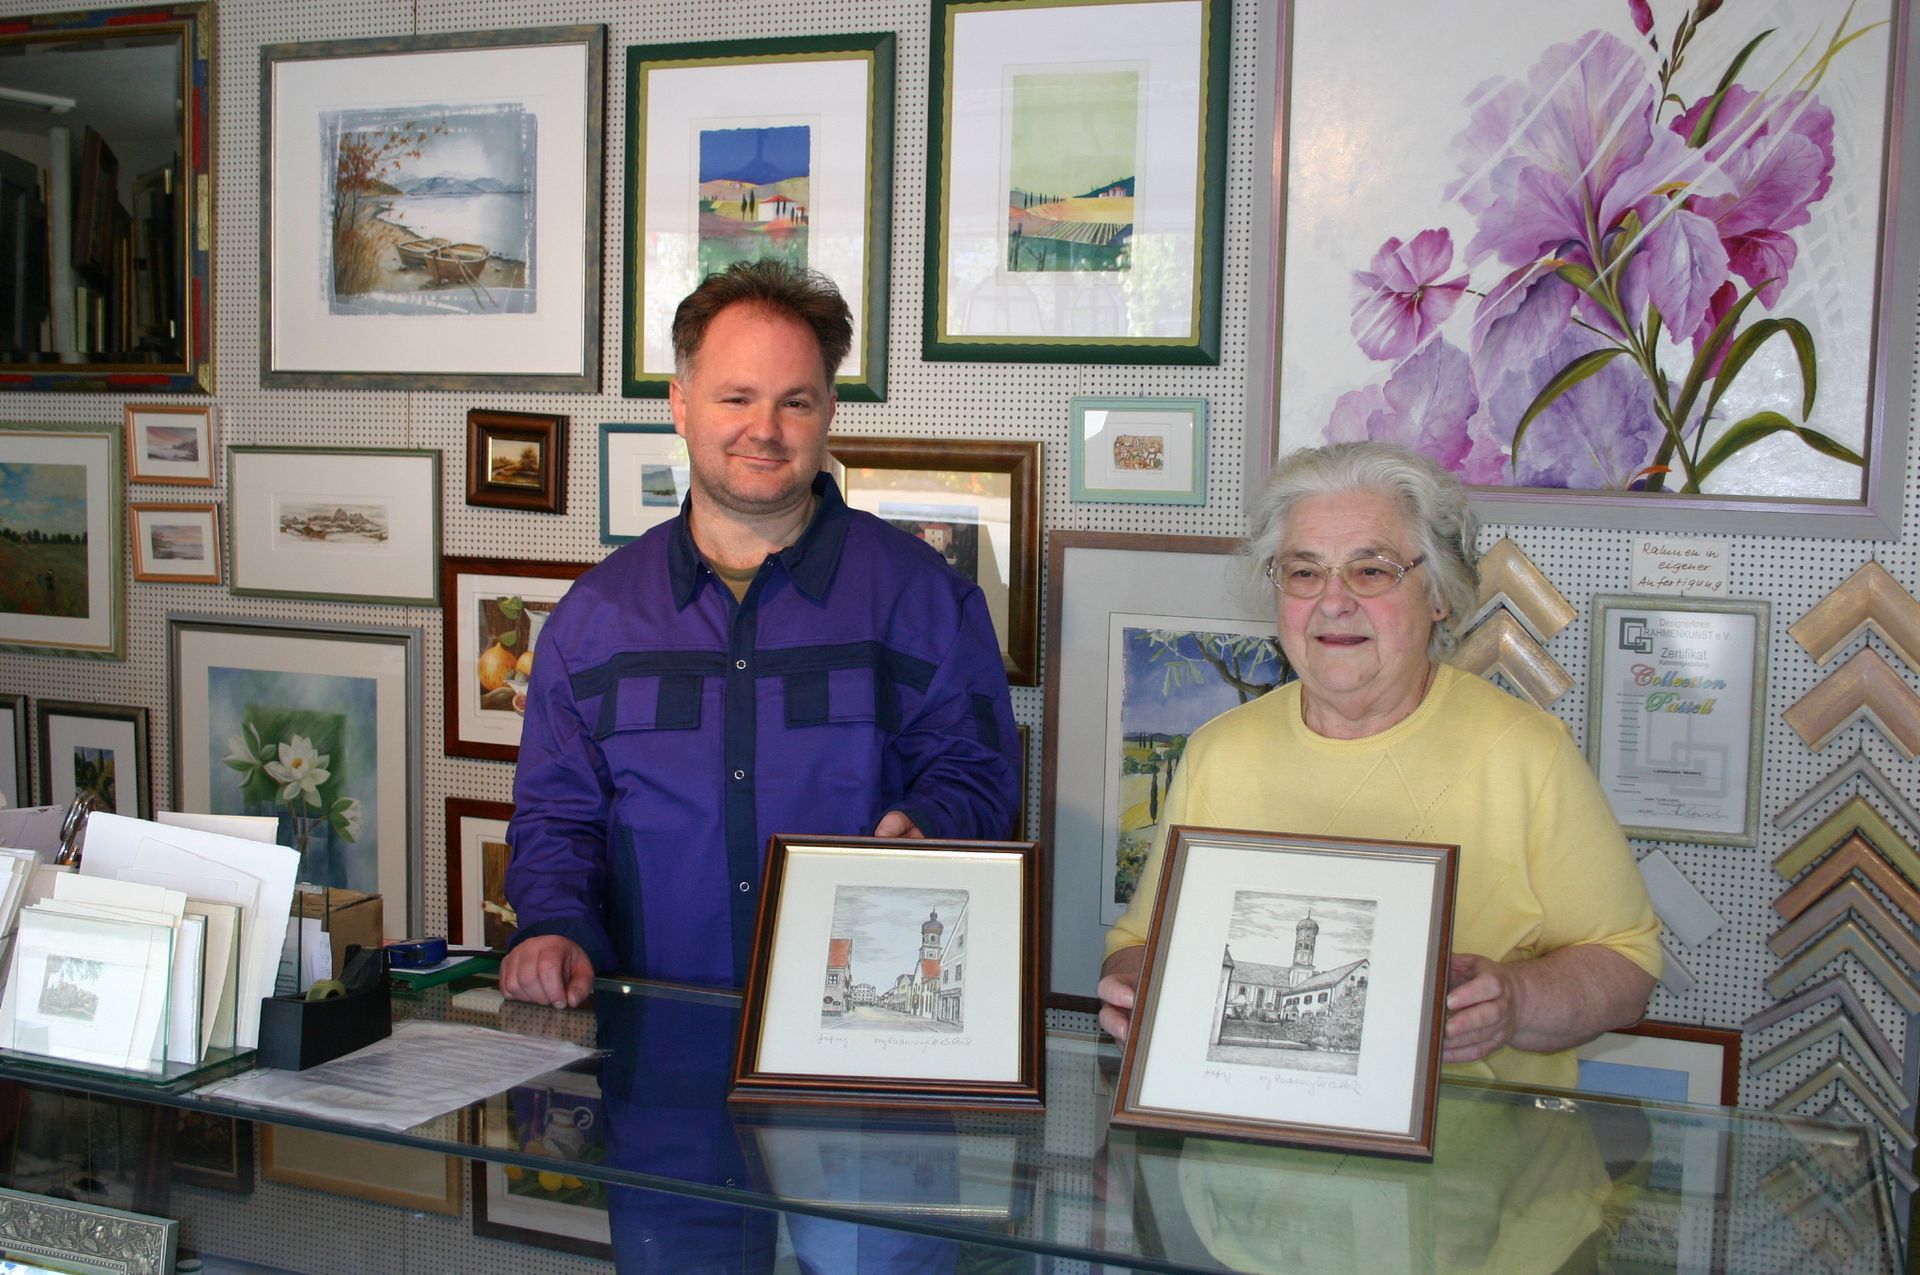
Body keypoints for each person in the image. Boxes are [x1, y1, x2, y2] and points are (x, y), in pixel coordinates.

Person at [501, 258, 1019, 1005]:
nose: (765, 430)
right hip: (649, 1042)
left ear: (831, 410)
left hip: (859, 1048)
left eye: (795, 403)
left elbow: (979, 776)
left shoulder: (926, 599)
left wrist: (928, 821)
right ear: (680, 404)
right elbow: (558, 816)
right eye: (736, 397)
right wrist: (553, 926)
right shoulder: (593, 618)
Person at [1096, 441, 1659, 1088]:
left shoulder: (1529, 754)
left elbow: (1628, 966)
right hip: (1247, 1164)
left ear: (1440, 595)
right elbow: (1138, 943)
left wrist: (1518, 1003)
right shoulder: (1223, 750)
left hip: (1475, 1173)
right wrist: (1140, 994)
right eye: (1304, 572)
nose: (1333, 601)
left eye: (1371, 570)